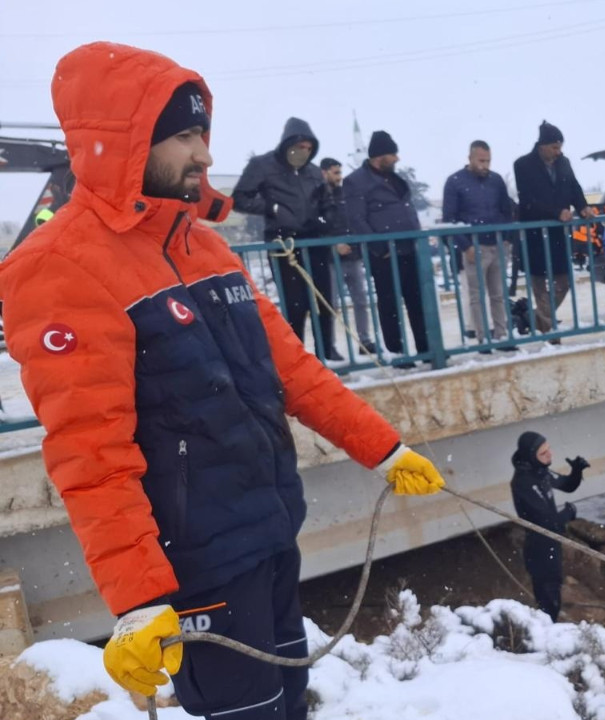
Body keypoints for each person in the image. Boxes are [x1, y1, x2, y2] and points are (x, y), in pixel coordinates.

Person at [0, 42, 447, 720]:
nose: (205, 154)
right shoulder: (59, 267)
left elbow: (291, 370)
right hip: (197, 565)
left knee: (290, 701)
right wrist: (138, 601)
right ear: (124, 141)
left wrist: (383, 448)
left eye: (202, 134)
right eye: (183, 136)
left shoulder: (200, 243)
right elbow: (93, 459)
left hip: (268, 530)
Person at [232, 118, 342, 361]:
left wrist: (325, 221)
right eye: (300, 146)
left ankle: (327, 348)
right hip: (284, 244)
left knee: (324, 298)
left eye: (309, 148)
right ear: (288, 144)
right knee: (295, 302)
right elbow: (239, 197)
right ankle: (296, 351)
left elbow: (328, 203)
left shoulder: (314, 172)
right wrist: (271, 208)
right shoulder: (262, 165)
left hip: (314, 242)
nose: (305, 152)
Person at [344, 130, 430, 363]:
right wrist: (378, 248)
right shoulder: (356, 182)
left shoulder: (394, 178)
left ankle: (426, 349)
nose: (397, 159)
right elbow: (357, 220)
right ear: (379, 156)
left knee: (416, 301)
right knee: (389, 303)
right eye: (393, 154)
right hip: (383, 254)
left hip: (408, 248)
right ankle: (398, 353)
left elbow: (406, 208)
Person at [513, 121, 594, 338]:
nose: (559, 152)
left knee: (564, 281)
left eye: (560, 147)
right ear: (542, 145)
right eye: (554, 147)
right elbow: (527, 200)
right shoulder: (522, 165)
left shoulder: (563, 162)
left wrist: (583, 206)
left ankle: (535, 318)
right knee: (539, 284)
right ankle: (550, 333)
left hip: (558, 233)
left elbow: (573, 186)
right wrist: (555, 212)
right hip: (535, 232)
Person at [509, 431, 589, 622]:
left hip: (552, 544)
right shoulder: (524, 482)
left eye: (549, 449)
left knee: (555, 588)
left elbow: (567, 485)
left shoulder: (540, 471)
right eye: (543, 453)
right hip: (539, 547)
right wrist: (568, 513)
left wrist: (577, 471)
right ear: (531, 456)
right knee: (547, 596)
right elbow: (549, 523)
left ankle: (551, 620)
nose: (550, 455)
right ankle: (548, 627)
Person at [443, 140, 516, 347]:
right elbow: (450, 219)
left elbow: (506, 210)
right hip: (474, 247)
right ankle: (483, 338)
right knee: (476, 296)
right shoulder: (455, 182)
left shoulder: (496, 180)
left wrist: (508, 239)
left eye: (488, 161)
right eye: (481, 161)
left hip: (498, 243)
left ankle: (502, 335)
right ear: (470, 158)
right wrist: (465, 246)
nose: (485, 165)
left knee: (498, 293)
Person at [317, 158, 376, 353]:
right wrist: (333, 245)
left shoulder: (345, 194)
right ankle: (329, 345)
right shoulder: (316, 198)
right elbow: (316, 228)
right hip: (330, 260)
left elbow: (354, 220)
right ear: (324, 173)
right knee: (330, 305)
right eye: (335, 173)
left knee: (360, 301)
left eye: (340, 173)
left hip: (353, 256)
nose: (339, 177)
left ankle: (364, 341)